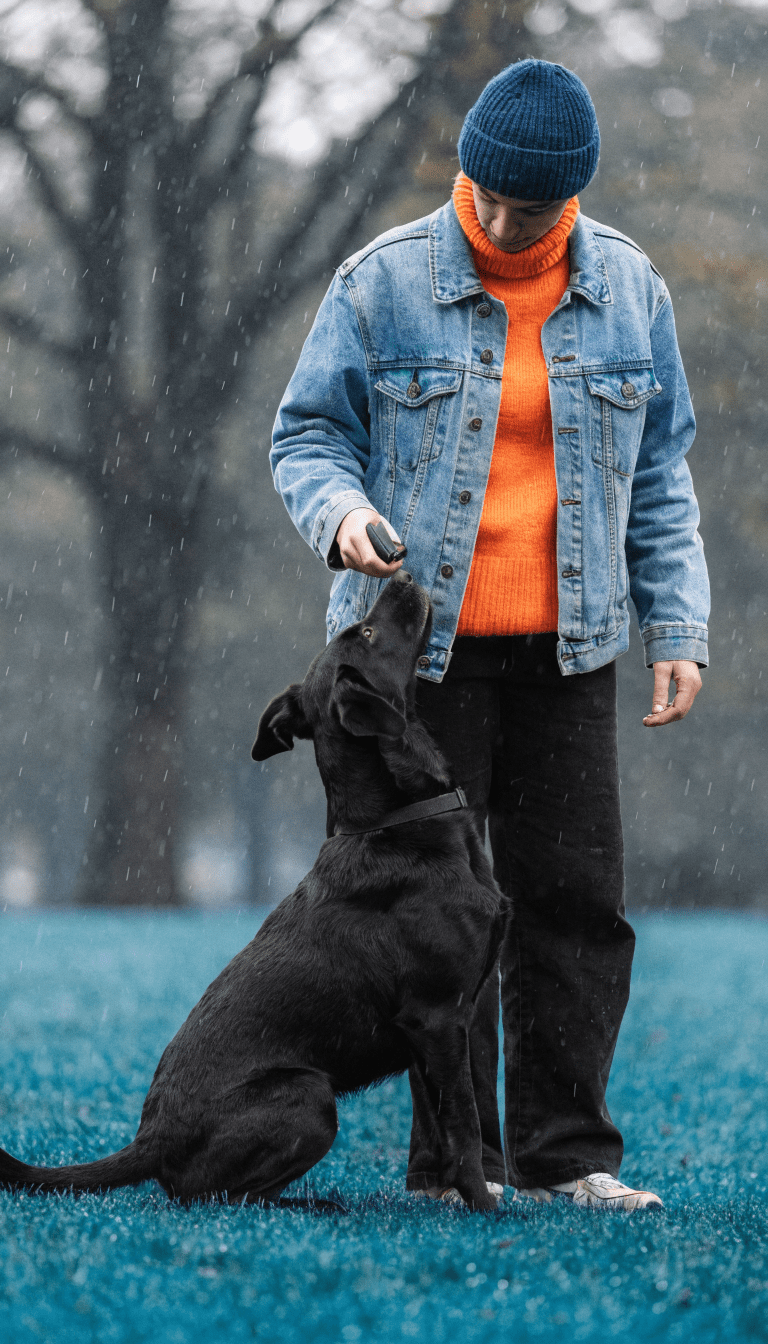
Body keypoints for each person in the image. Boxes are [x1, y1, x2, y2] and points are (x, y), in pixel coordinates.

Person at [269, 59, 709, 1211]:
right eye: (490, 196)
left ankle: (570, 1159)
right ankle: (453, 1169)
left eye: (534, 207)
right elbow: (307, 437)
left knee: (574, 904)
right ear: (466, 170)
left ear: (575, 196)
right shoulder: (381, 282)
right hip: (420, 664)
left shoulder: (631, 288)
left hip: (572, 652)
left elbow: (660, 476)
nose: (505, 224)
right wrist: (344, 515)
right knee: (431, 921)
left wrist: (680, 623)